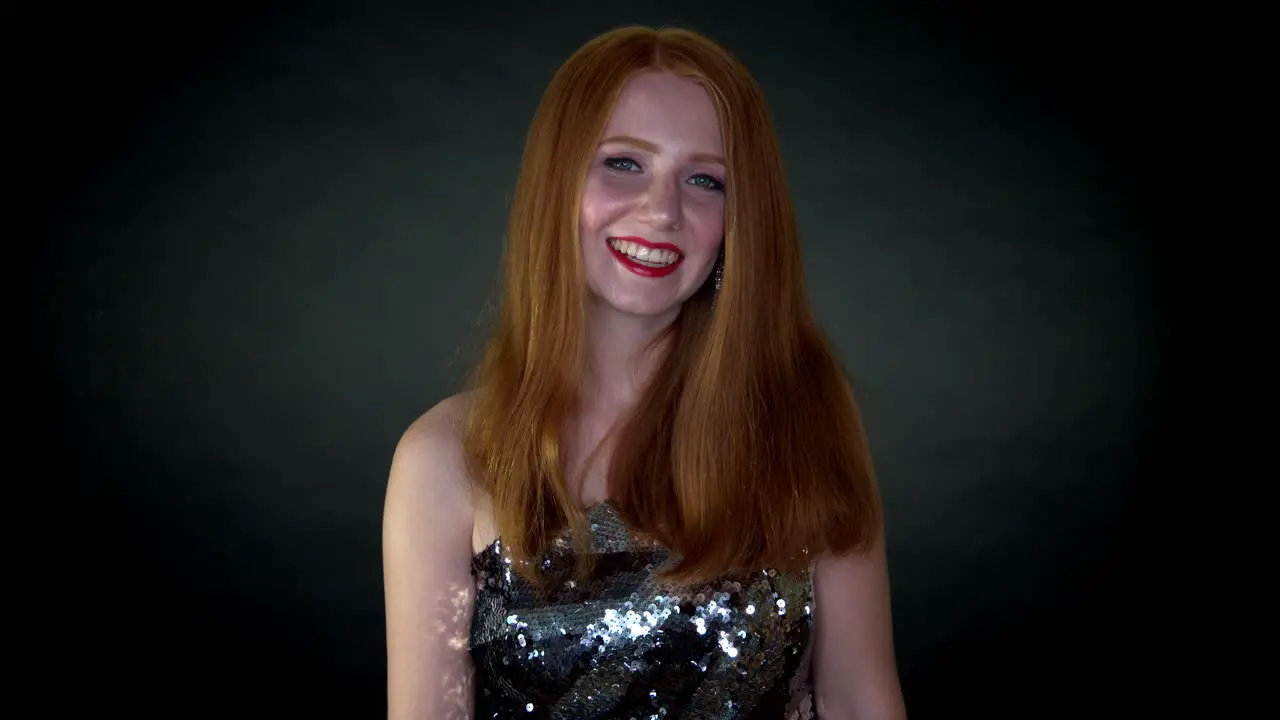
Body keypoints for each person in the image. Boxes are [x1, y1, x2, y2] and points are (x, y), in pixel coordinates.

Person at [383, 24, 907, 720]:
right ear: (556, 182)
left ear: (741, 216)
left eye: (704, 180)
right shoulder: (445, 457)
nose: (662, 212)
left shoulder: (805, 418)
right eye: (624, 164)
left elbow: (859, 699)